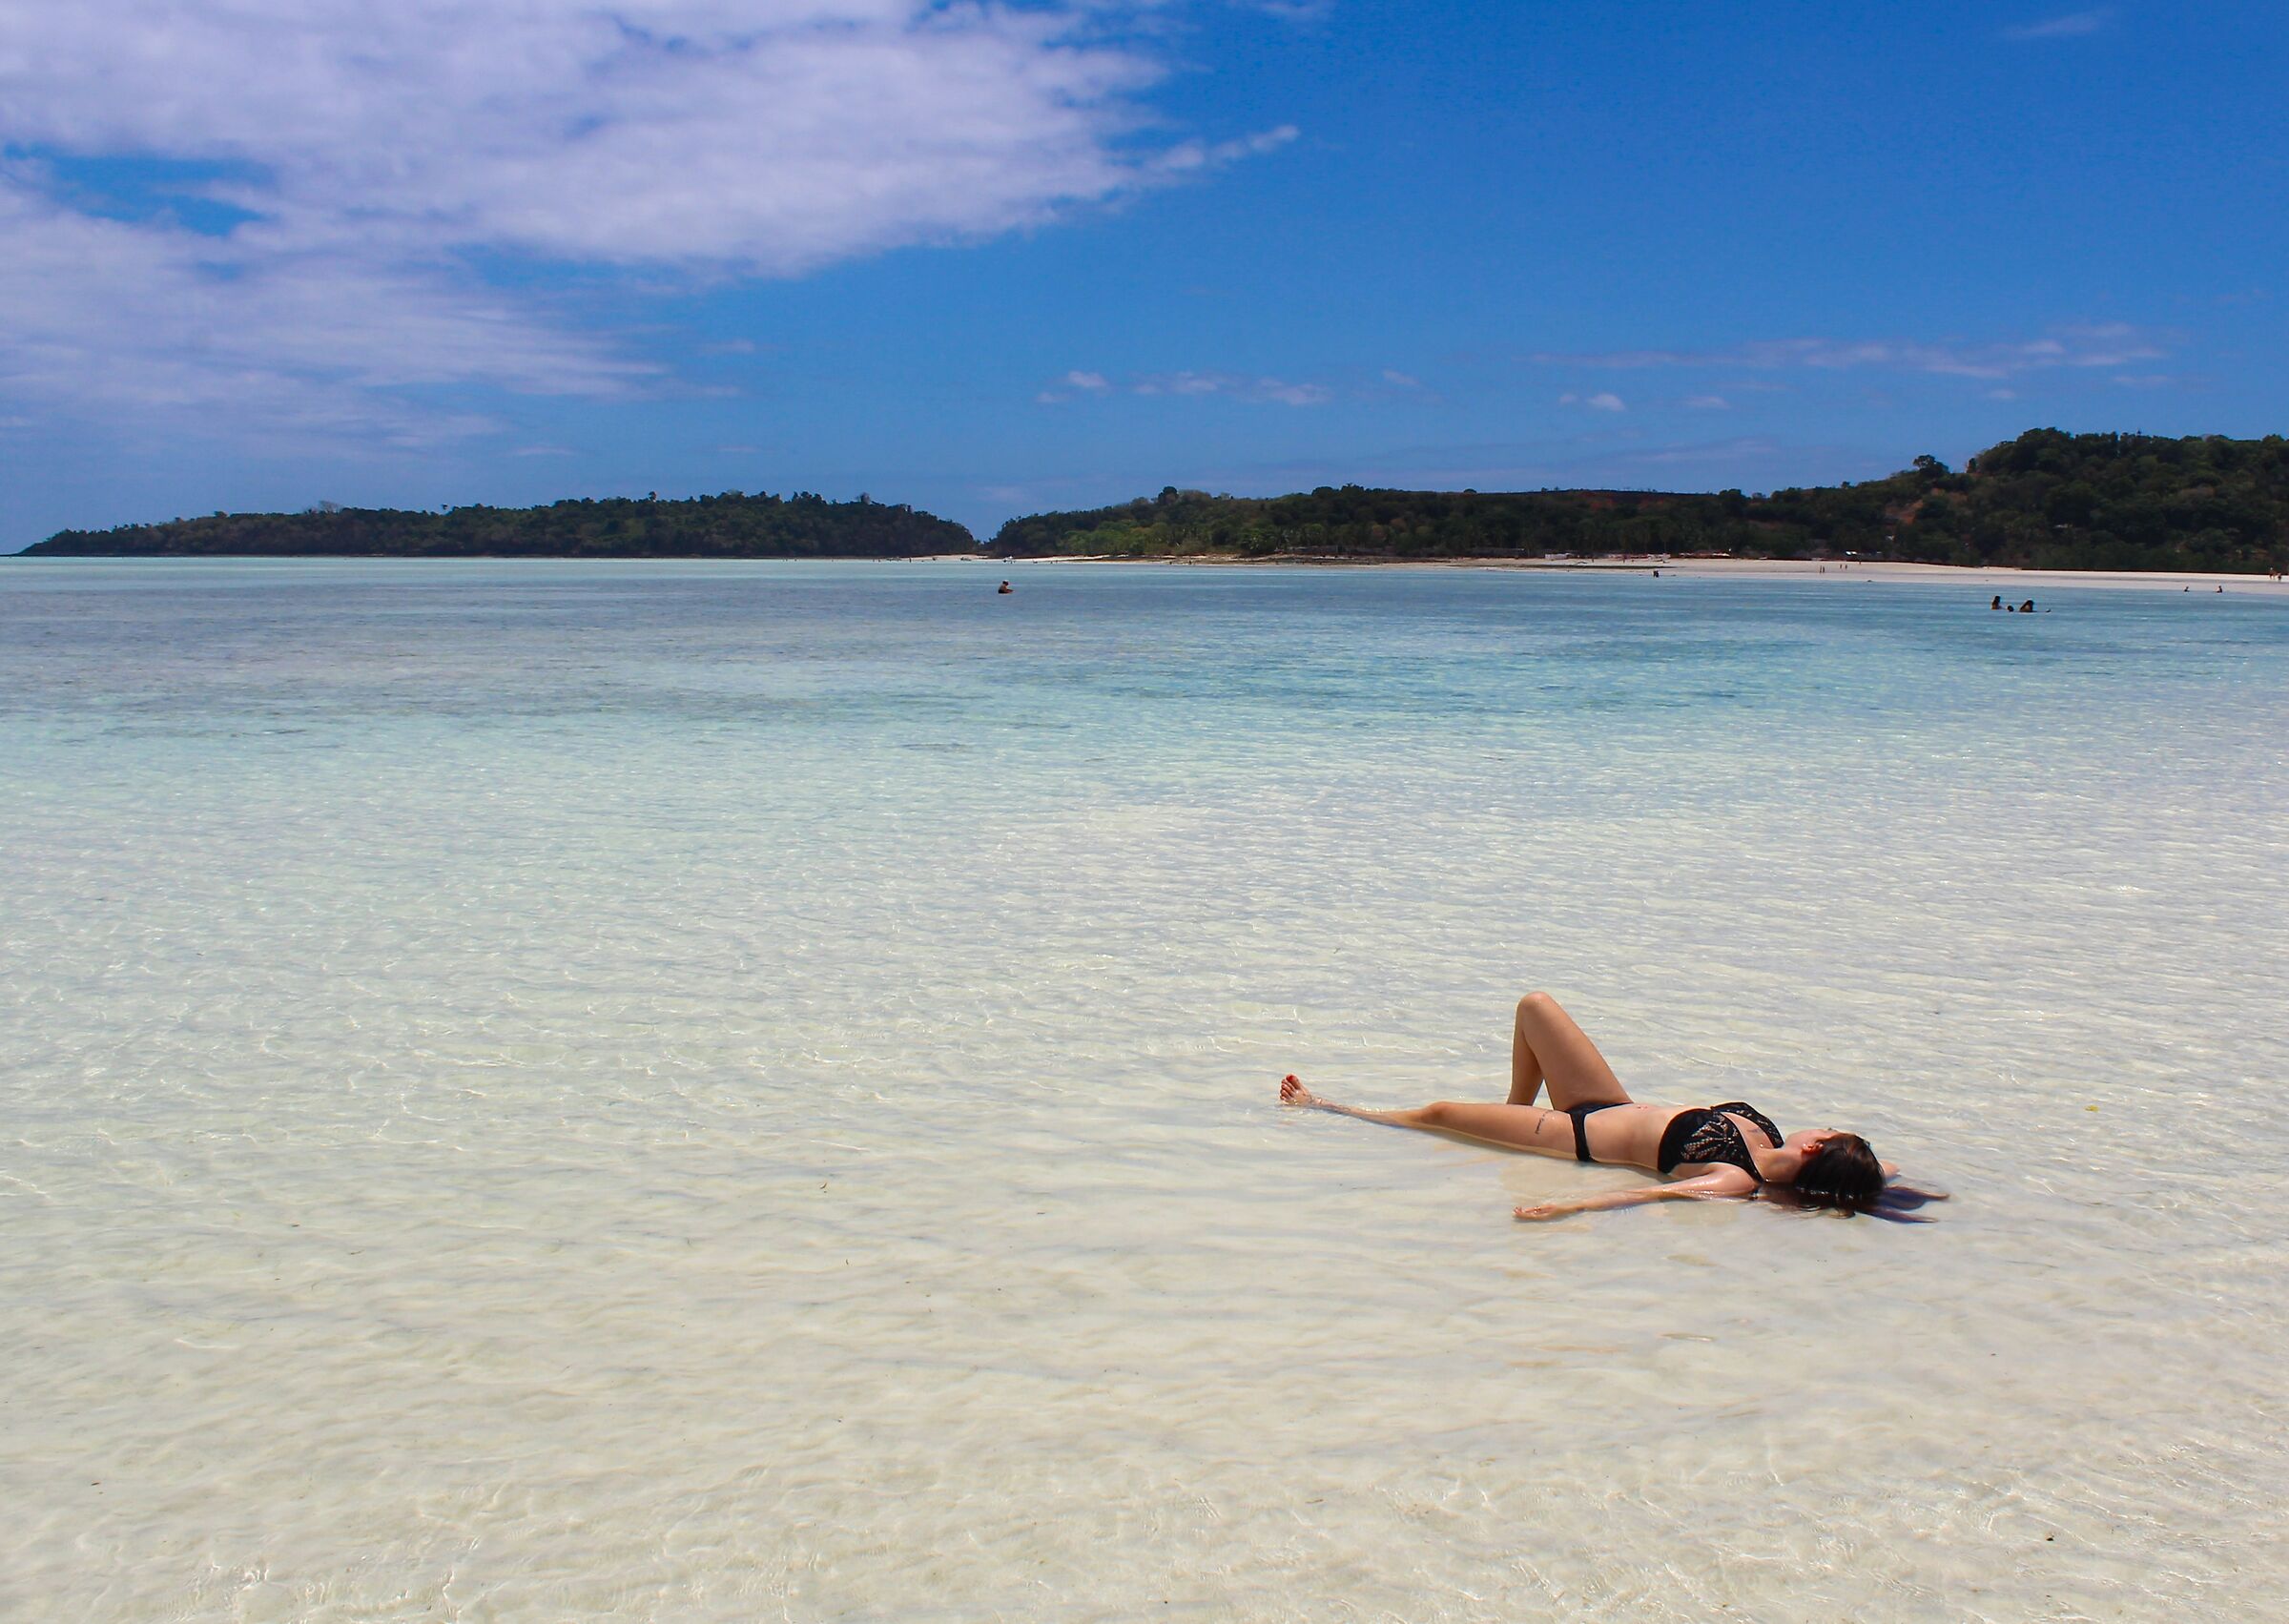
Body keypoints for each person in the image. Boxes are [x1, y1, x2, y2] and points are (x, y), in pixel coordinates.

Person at [1279, 990, 1904, 1222]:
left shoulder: (1733, 1179)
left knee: (1439, 1112)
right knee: (1535, 1006)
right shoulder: (1765, 1140)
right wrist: (1873, 1180)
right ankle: (1506, 1116)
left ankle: (1326, 1106)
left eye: (1828, 1129)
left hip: (1573, 1134)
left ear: (1817, 1145)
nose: (1822, 1124)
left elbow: (1650, 1196)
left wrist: (1569, 1206)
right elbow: (1879, 1175)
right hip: (1606, 1099)